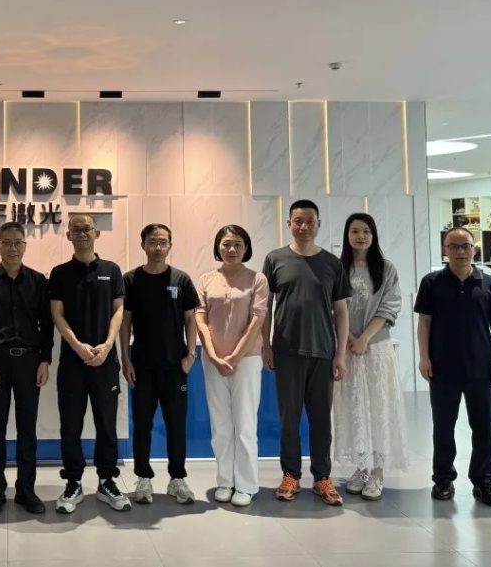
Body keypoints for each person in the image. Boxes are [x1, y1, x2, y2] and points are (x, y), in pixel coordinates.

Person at [262, 199, 350, 506]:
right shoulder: (275, 259)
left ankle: (322, 477)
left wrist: (340, 355)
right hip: (286, 351)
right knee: (289, 418)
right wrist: (266, 345)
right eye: (298, 221)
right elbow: (265, 307)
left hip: (323, 351)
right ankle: (291, 476)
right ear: (289, 223)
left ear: (318, 224)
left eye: (310, 221)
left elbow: (341, 311)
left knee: (321, 419)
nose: (304, 226)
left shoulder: (332, 263)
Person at [416, 226, 491, 508]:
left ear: (474, 249)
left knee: (484, 428)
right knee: (443, 426)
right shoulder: (432, 282)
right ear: (444, 250)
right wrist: (424, 357)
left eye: (465, 246)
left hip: (481, 368)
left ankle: (484, 482)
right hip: (442, 368)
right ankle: (443, 479)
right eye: (453, 246)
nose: (460, 252)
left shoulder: (489, 284)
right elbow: (424, 323)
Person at [49, 213, 130, 513]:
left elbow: (119, 311)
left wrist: (107, 345)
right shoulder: (59, 273)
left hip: (105, 361)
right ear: (68, 235)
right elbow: (57, 314)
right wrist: (78, 347)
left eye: (87, 228)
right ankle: (73, 482)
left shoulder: (112, 270)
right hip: (72, 363)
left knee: (106, 423)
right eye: (76, 229)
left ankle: (107, 481)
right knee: (70, 425)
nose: (82, 233)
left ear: (97, 233)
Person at [0, 222, 54, 516]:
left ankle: (26, 490)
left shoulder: (38, 281)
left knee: (27, 429)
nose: (12, 248)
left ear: (25, 246)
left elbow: (47, 325)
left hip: (29, 363)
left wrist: (45, 359)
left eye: (18, 242)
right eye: (6, 242)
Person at [121, 223, 199, 505]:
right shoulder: (131, 280)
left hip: (175, 366)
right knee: (142, 424)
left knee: (176, 424)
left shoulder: (181, 279)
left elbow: (191, 319)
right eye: (152, 241)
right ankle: (143, 478)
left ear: (170, 246)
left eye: (163, 242)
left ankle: (177, 478)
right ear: (143, 244)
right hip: (142, 365)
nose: (157, 247)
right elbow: (125, 322)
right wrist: (125, 358)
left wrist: (191, 355)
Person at [332, 214, 406, 501]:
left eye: (366, 231)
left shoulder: (386, 269)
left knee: (378, 408)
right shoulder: (337, 268)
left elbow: (390, 307)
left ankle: (377, 472)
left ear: (373, 235)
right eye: (355, 231)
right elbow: (332, 308)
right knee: (353, 408)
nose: (360, 236)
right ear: (347, 235)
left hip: (377, 350)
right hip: (347, 350)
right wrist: (351, 339)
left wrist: (364, 338)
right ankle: (361, 467)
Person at [196, 225, 268, 507]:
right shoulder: (206, 279)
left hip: (246, 360)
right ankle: (225, 480)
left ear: (246, 248)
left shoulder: (257, 279)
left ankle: (246, 485)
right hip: (213, 360)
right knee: (221, 425)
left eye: (238, 244)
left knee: (245, 424)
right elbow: (200, 317)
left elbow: (257, 319)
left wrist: (236, 356)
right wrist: (213, 354)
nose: (231, 249)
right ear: (218, 247)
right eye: (226, 244)